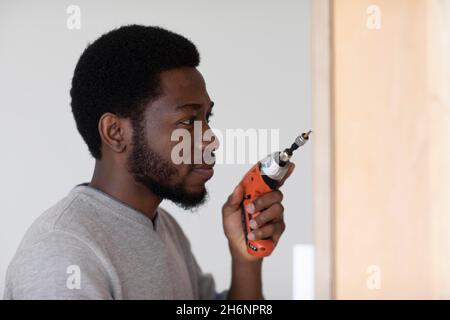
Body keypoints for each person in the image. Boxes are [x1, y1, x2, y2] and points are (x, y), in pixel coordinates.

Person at [3, 25, 291, 300]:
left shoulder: (164, 227)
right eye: (188, 121)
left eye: (207, 119)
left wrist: (246, 259)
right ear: (115, 133)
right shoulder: (63, 253)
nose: (210, 140)